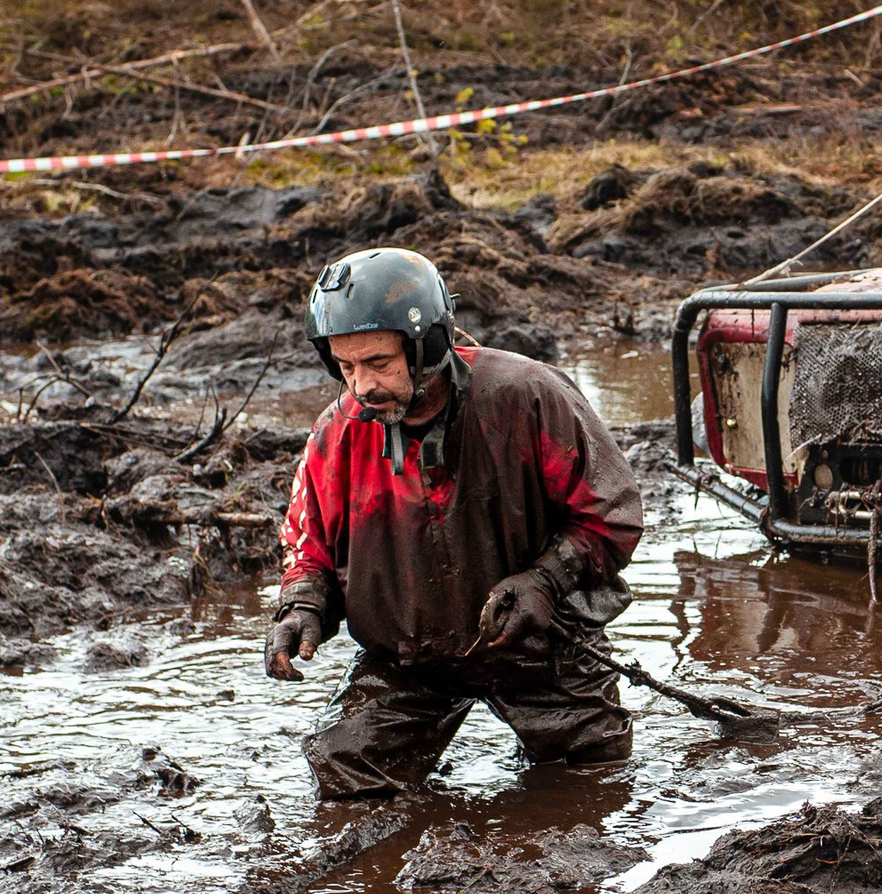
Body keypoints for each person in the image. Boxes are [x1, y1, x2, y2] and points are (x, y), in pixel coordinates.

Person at [265, 247, 643, 798]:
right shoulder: (339, 431)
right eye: (346, 368)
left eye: (378, 364)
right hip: (410, 655)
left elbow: (611, 513)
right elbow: (308, 540)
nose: (362, 387)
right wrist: (303, 604)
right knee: (346, 769)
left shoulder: (529, 396)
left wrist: (545, 580)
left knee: (590, 779)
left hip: (540, 645)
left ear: (428, 346)